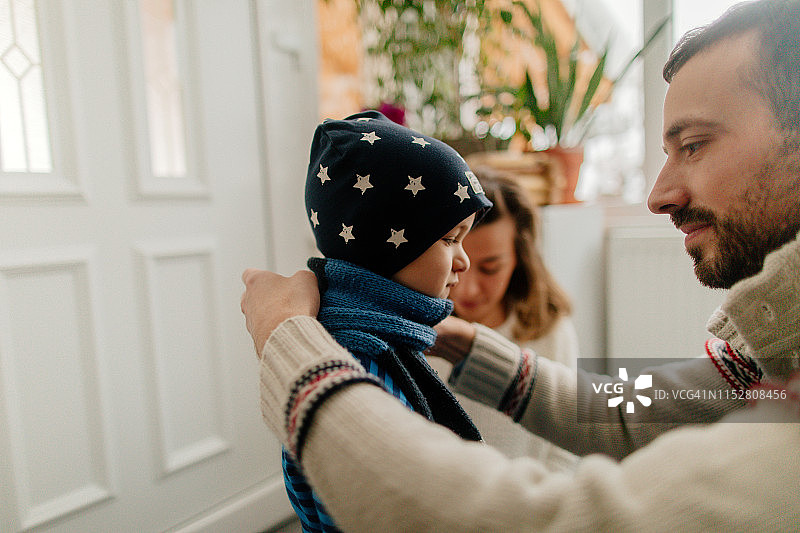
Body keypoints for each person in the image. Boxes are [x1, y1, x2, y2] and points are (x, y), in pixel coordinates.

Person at [242, 0, 800, 529]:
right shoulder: (767, 362)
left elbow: (528, 523)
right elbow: (629, 410)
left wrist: (286, 338)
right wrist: (464, 344)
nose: (658, 195)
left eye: (696, 144)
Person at [280, 109, 492, 532]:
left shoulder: (379, 335)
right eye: (450, 239)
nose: (464, 260)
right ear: (388, 245)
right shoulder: (363, 356)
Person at [430, 169, 579, 467]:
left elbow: (567, 445)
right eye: (454, 263)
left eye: (490, 268)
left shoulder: (549, 329)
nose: (468, 288)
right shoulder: (417, 329)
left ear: (519, 258)